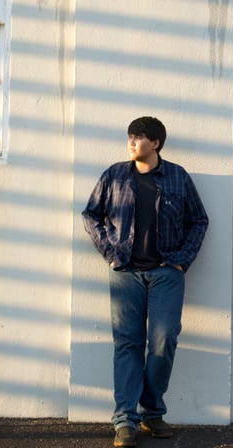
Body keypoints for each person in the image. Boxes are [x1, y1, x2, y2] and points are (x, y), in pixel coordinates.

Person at [82, 116, 209, 447]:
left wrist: (182, 259)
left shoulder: (178, 176)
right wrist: (110, 252)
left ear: (155, 142)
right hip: (126, 273)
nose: (131, 142)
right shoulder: (114, 175)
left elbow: (198, 220)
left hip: (166, 272)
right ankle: (125, 419)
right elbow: (90, 214)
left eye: (138, 137)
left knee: (164, 339)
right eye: (129, 136)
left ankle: (151, 411)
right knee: (128, 343)